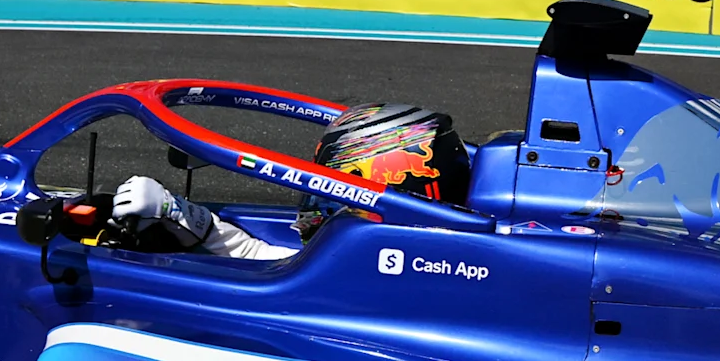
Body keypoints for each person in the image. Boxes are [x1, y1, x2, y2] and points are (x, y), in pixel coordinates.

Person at [108, 102, 471, 261]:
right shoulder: (431, 261)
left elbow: (276, 273)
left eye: (332, 184)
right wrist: (193, 221)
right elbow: (267, 257)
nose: (315, 201)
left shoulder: (375, 280)